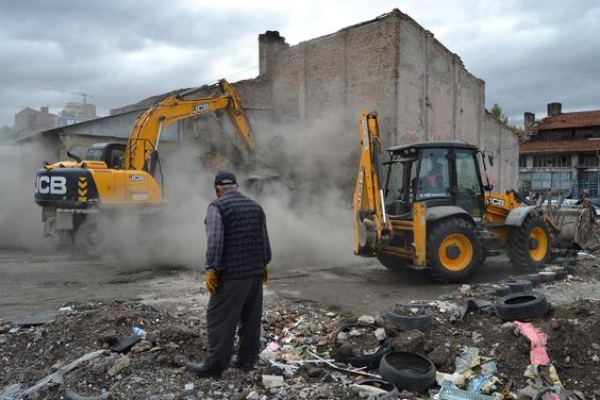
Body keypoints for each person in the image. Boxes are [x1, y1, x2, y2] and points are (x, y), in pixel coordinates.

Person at [187, 170, 271, 379]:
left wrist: (212, 269)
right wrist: (264, 264)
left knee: (220, 318)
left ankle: (214, 366)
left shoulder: (217, 207)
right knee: (251, 319)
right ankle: (247, 360)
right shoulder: (255, 206)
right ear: (237, 186)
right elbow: (264, 239)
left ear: (217, 189)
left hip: (232, 275)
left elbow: (215, 241)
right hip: (255, 274)